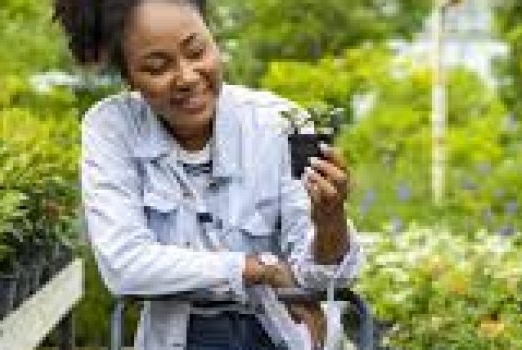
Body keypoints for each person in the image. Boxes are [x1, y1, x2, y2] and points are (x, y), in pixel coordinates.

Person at [53, 1, 363, 349]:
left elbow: (322, 277)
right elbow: (124, 265)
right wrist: (257, 268)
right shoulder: (113, 128)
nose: (186, 77)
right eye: (157, 67)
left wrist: (330, 219)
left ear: (214, 41)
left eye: (196, 51)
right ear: (129, 78)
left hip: (282, 335)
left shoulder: (279, 123)